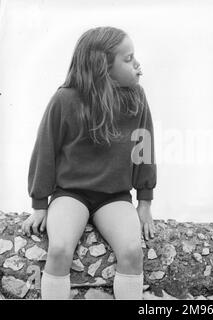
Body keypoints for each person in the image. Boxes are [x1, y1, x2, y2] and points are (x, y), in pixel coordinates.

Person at [21, 26, 157, 300]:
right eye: (128, 59)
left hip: (115, 197)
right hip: (71, 194)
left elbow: (144, 149)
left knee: (132, 251)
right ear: (102, 67)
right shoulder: (65, 99)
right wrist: (39, 205)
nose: (137, 64)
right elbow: (45, 151)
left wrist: (144, 203)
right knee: (59, 249)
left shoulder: (137, 99)